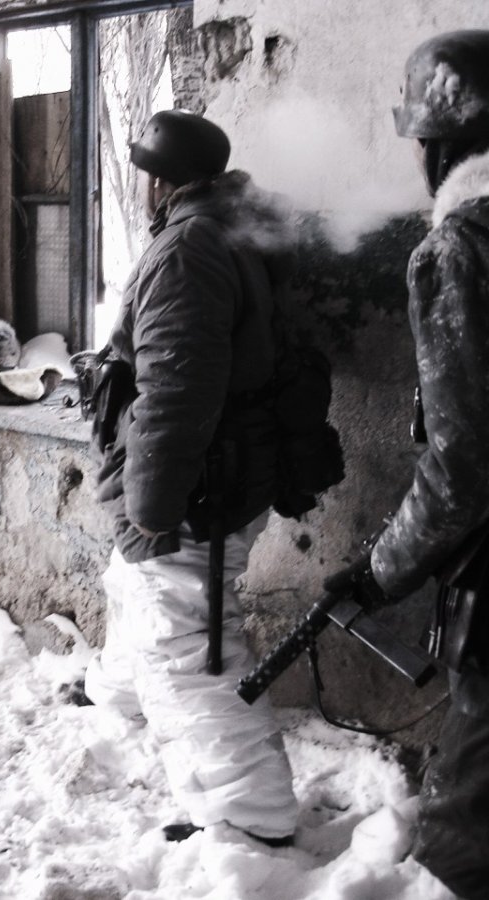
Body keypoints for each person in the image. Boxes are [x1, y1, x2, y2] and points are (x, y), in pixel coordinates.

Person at [83, 109, 299, 846]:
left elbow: (176, 390)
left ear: (160, 182)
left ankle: (254, 816)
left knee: (183, 644)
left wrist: (151, 509)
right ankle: (119, 696)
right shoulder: (229, 228)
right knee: (135, 587)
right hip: (222, 469)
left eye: (144, 174)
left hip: (197, 483)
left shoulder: (187, 249)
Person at [325, 31, 489, 899]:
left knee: (465, 843)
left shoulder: (460, 249)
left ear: (441, 144)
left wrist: (381, 570)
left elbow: (464, 465)